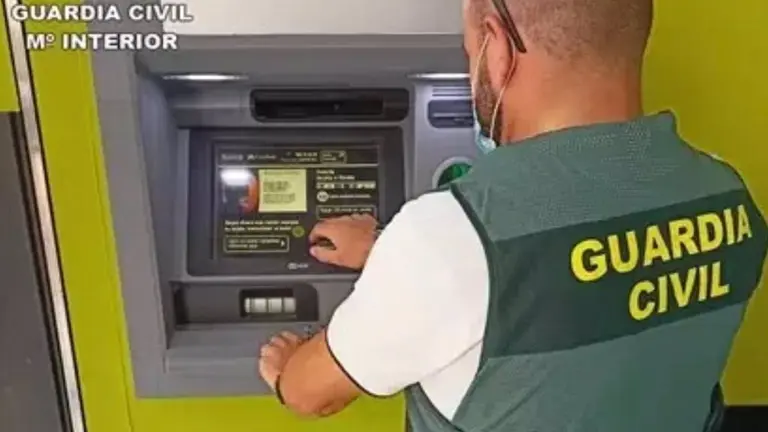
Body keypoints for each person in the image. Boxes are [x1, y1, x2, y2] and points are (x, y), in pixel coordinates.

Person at [258, 0, 768, 430]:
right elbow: (571, 283)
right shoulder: (727, 199)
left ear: (497, 50)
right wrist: (388, 249)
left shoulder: (444, 240)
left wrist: (286, 369)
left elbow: (312, 393)